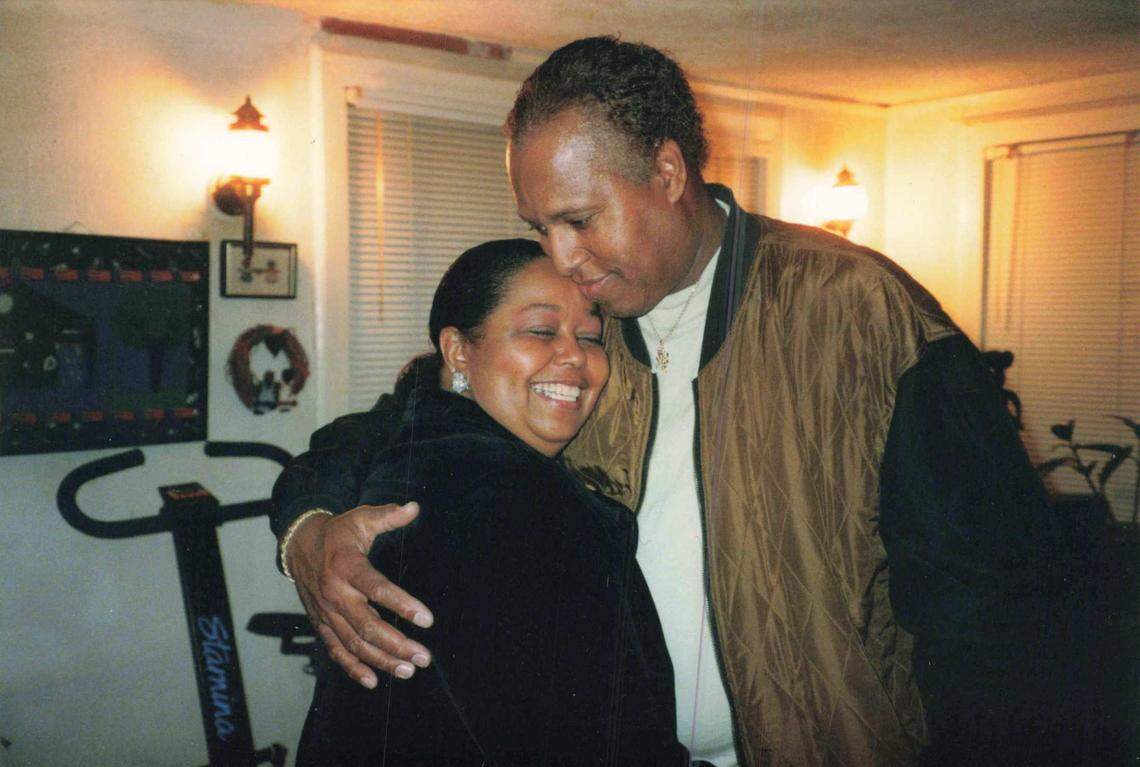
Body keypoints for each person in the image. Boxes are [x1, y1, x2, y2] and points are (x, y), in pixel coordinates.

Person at [273, 37, 1070, 766]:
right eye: (540, 227)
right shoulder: (584, 330)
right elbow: (392, 426)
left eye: (579, 219)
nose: (561, 257)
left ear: (666, 172)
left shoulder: (861, 313)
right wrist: (309, 533)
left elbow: (993, 613)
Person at [294, 238, 687, 765]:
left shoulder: (420, 449)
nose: (574, 355)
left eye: (590, 337)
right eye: (541, 331)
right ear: (458, 350)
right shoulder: (512, 493)